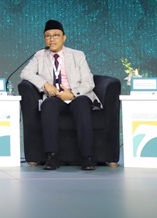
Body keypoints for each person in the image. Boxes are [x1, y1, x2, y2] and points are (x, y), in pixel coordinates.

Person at [20, 19, 101, 171]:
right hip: (54, 97)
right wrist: (45, 84)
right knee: (48, 104)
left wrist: (72, 94)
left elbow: (89, 82)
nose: (52, 39)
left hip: (76, 95)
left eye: (56, 35)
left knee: (82, 104)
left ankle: (87, 157)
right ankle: (52, 156)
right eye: (48, 36)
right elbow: (25, 73)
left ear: (64, 37)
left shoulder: (77, 55)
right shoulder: (40, 55)